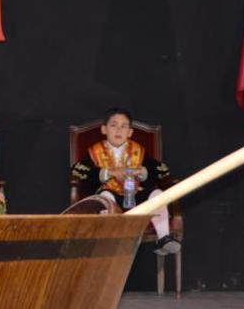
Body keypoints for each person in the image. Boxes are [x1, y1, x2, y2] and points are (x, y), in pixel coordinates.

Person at [71, 107, 181, 254]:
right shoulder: (94, 151)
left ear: (130, 132)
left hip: (136, 194)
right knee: (105, 199)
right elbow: (79, 172)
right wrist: (109, 172)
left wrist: (142, 172)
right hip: (111, 194)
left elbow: (160, 170)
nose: (119, 130)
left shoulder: (138, 150)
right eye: (113, 125)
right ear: (104, 129)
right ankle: (109, 238)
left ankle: (163, 238)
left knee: (157, 193)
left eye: (124, 126)